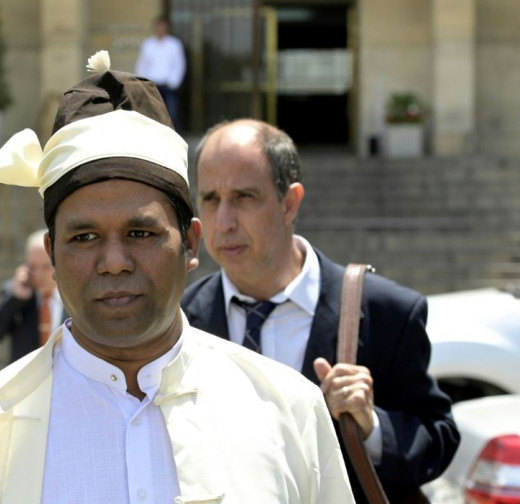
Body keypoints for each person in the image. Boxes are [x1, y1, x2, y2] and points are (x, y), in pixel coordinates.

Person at [0, 52, 355, 504]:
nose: (114, 262)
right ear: (51, 254)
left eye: (141, 233)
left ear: (190, 245)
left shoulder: (288, 411)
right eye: (84, 237)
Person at [181, 118, 461, 503]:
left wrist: (371, 426)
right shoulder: (180, 320)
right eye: (210, 199)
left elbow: (437, 439)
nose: (224, 222)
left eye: (244, 197)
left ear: (290, 202)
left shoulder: (385, 311)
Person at [0, 229, 65, 363]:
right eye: (33, 267)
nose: (39, 274)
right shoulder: (15, 293)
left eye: (46, 267)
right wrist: (15, 299)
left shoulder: (74, 295)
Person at [135, 15, 186, 132]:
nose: (160, 29)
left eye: (162, 26)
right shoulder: (148, 44)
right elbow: (142, 64)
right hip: (152, 86)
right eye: (158, 26)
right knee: (151, 115)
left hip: (168, 86)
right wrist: (143, 82)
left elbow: (179, 64)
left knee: (171, 116)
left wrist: (174, 82)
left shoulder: (174, 44)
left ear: (166, 27)